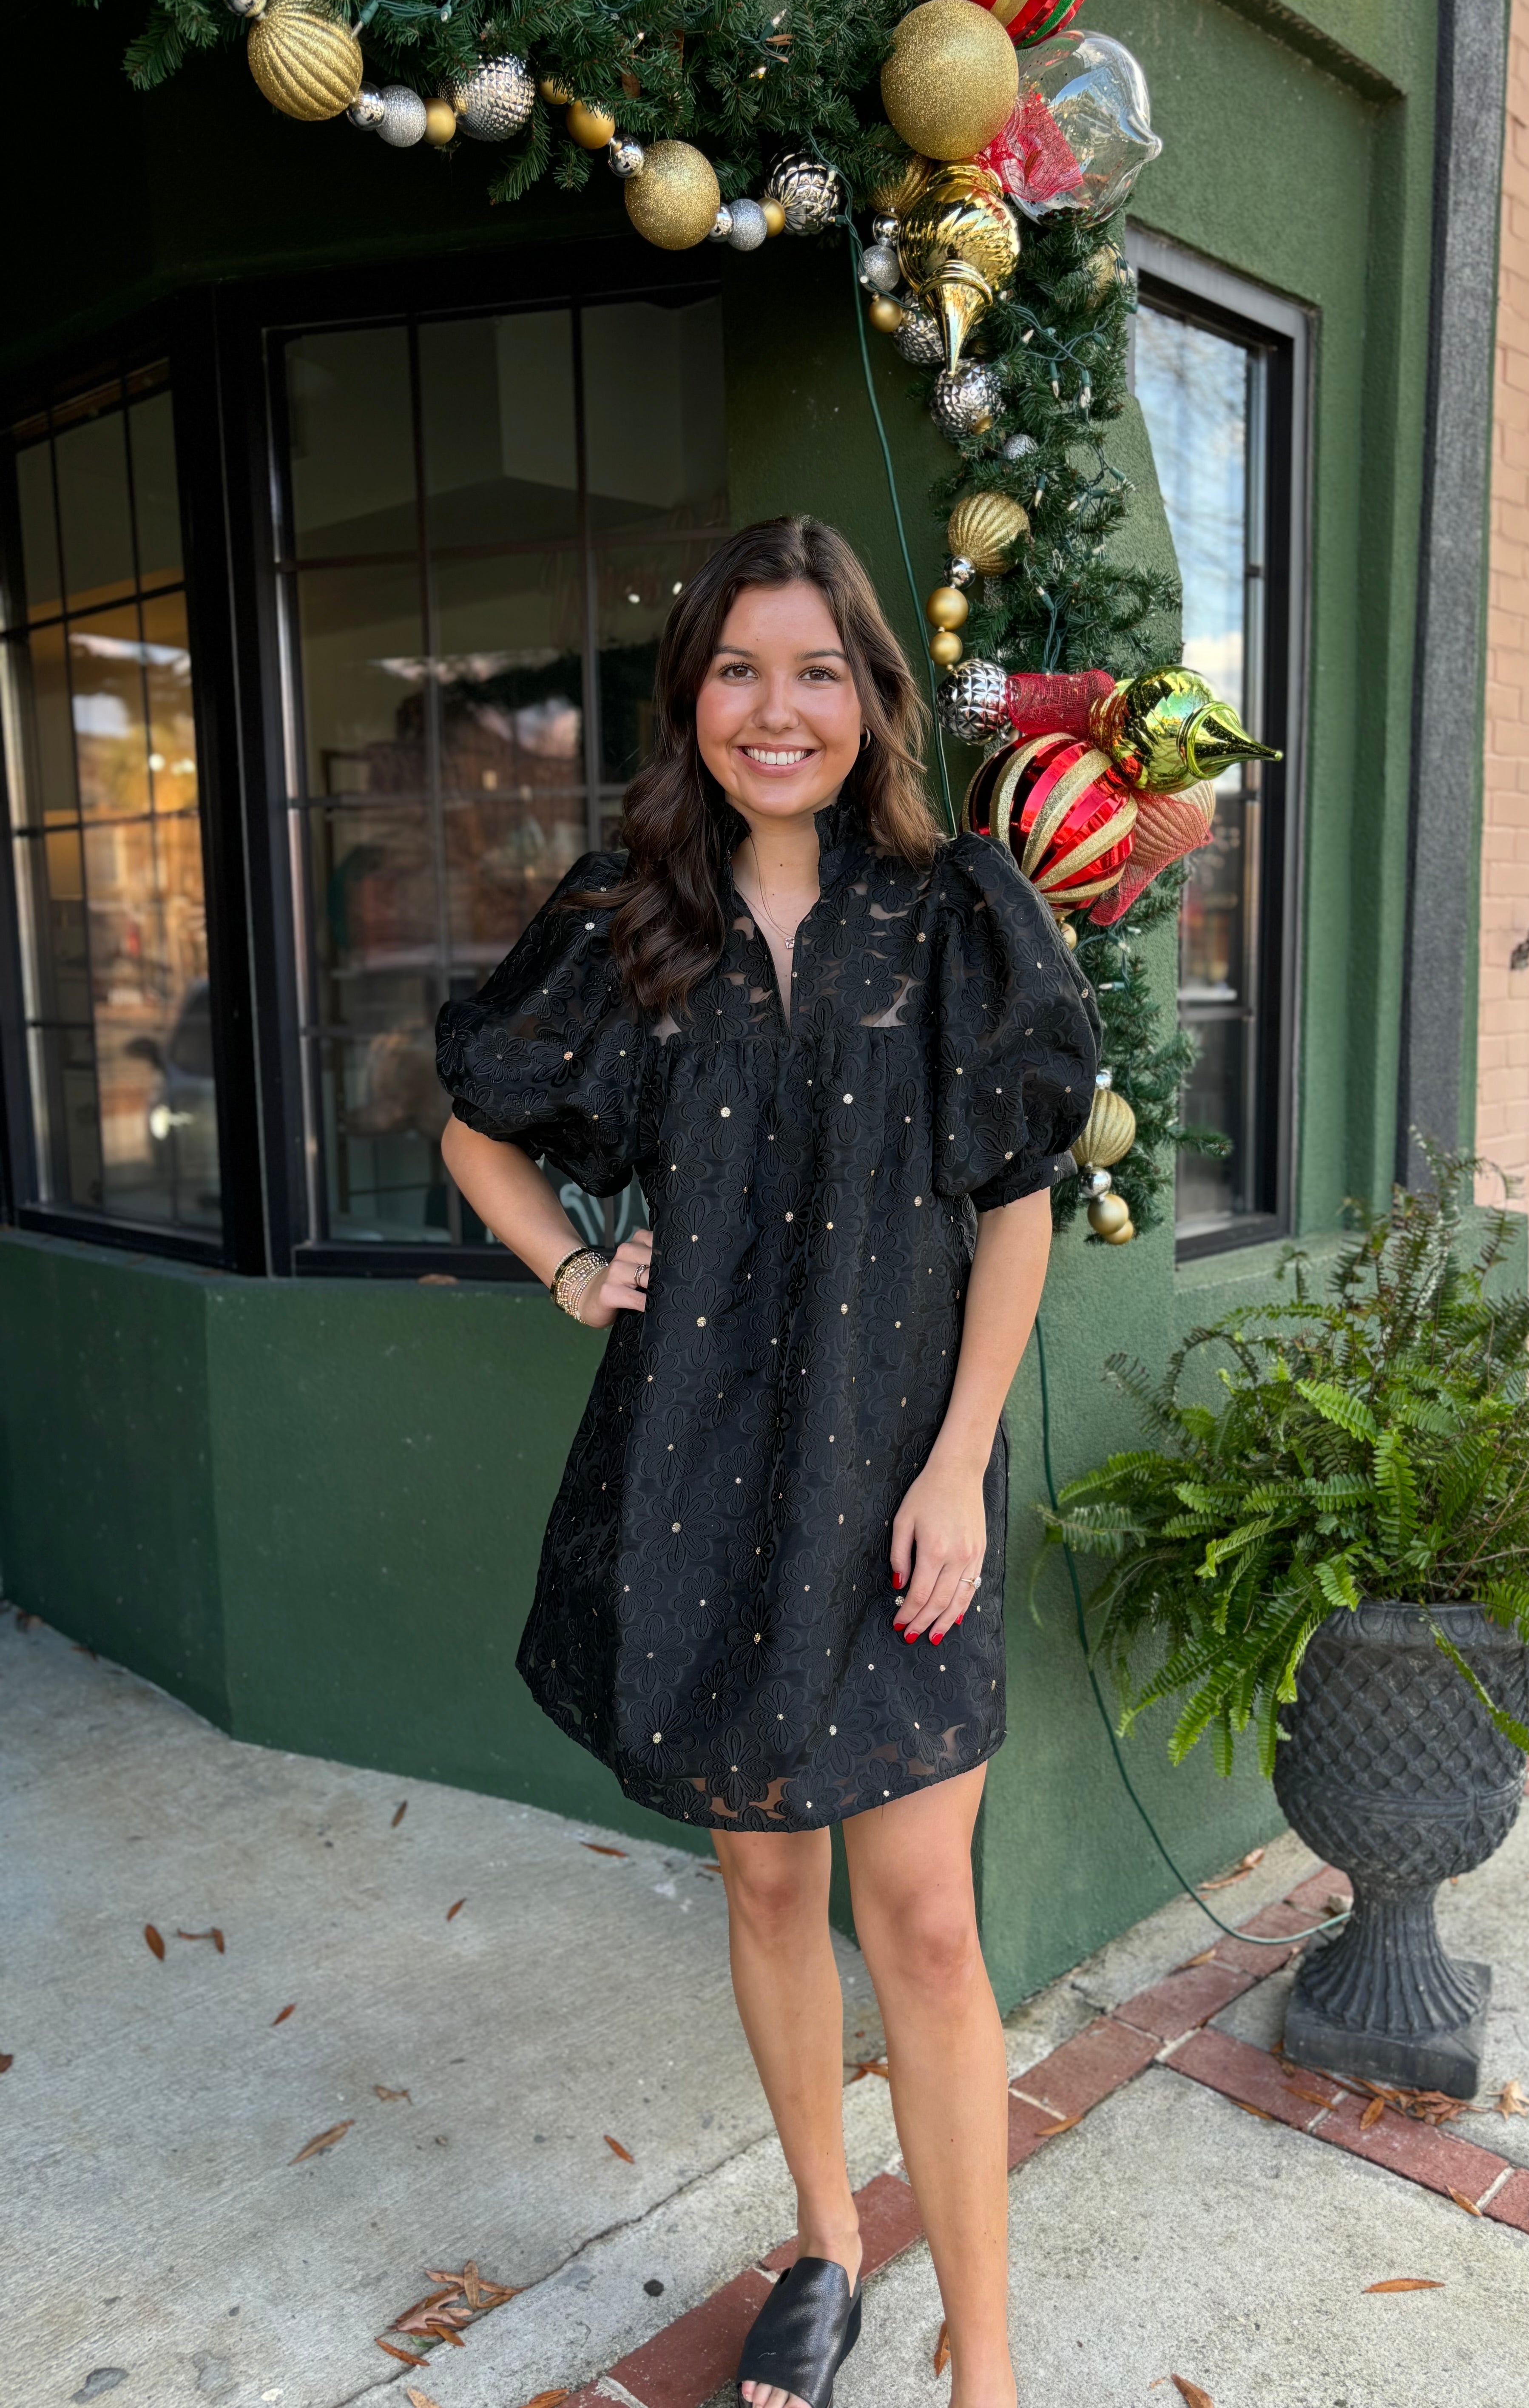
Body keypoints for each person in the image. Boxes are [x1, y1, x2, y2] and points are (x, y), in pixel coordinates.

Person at [437, 515, 1099, 2408]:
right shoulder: (625, 916)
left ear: (872, 697)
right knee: (765, 1892)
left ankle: (988, 2369)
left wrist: (962, 1462)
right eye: (739, 670)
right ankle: (828, 2243)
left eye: (817, 668)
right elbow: (480, 1116)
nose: (776, 708)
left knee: (935, 1927)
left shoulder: (957, 908)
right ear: (694, 702)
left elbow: (1021, 1203)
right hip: (701, 1473)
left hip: (902, 1487)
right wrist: (573, 1265)